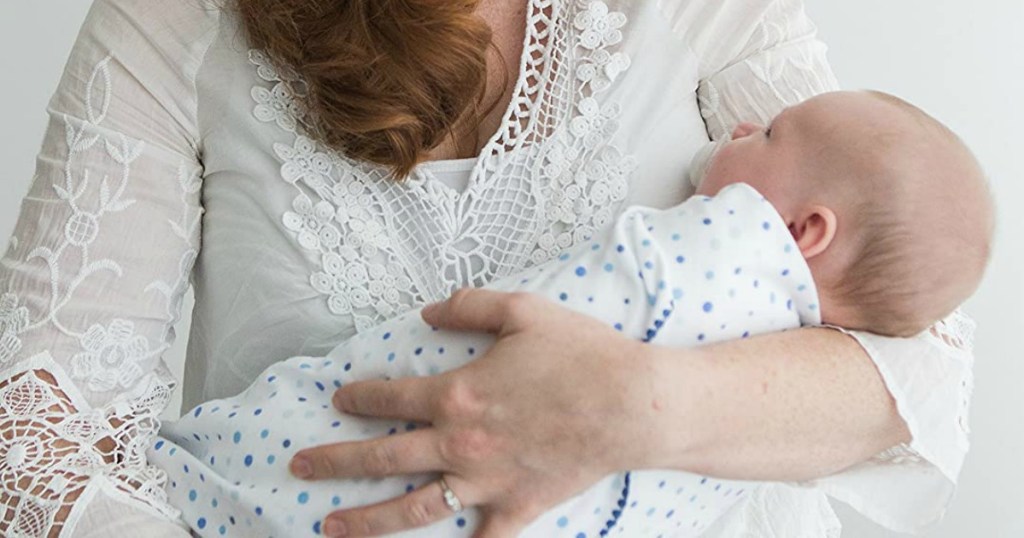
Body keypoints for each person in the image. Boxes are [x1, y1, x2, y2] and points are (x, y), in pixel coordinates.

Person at [0, 0, 978, 537]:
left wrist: (635, 408)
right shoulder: (173, 23)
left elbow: (918, 354)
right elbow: (35, 425)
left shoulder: (706, 13)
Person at [147, 89, 992, 537]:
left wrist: (634, 408)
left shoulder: (724, 252)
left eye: (765, 134)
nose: (738, 125)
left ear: (804, 231)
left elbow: (921, 375)